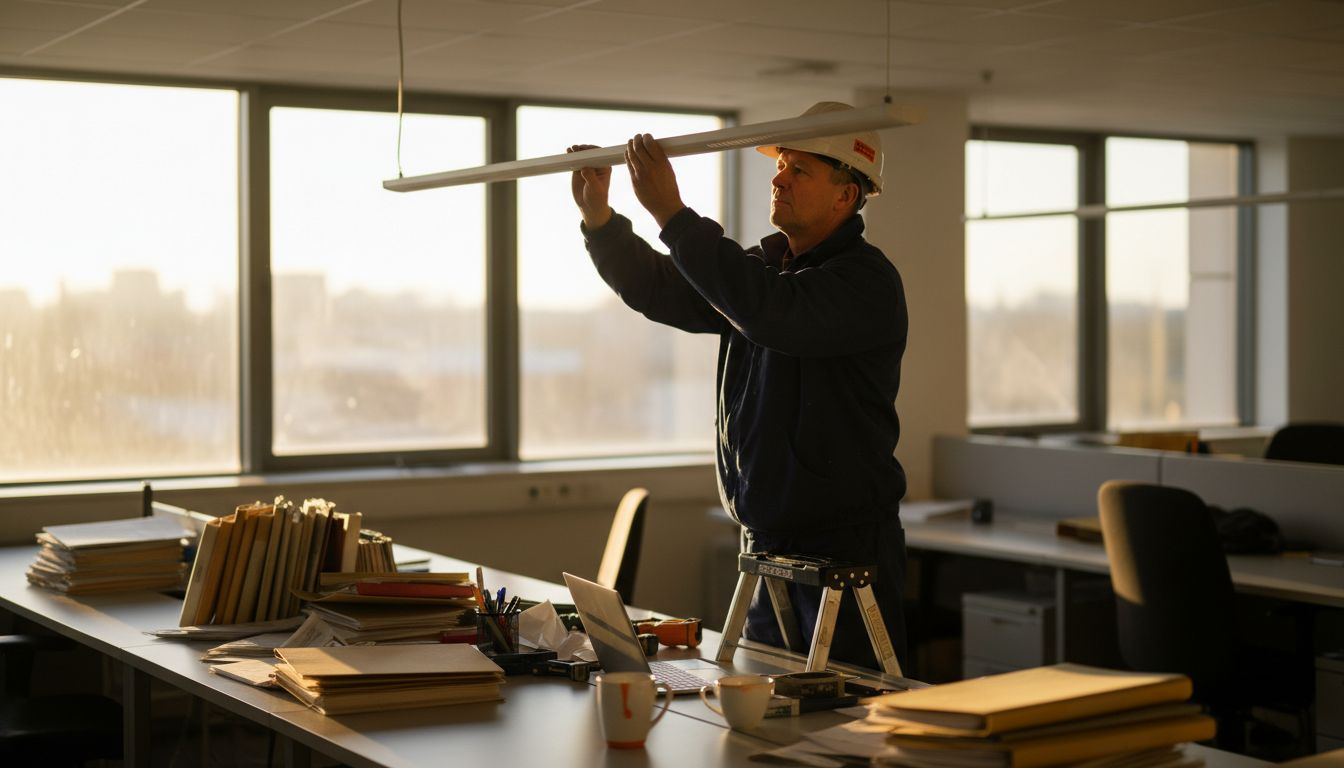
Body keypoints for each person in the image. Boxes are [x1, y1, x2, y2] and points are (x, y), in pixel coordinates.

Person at [569, 102, 908, 670]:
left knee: (855, 725)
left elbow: (772, 314)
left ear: (846, 195)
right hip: (765, 541)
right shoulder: (766, 272)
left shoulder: (864, 282)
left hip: (844, 549)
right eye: (782, 166)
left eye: (799, 170)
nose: (778, 177)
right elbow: (665, 290)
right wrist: (602, 222)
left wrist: (673, 214)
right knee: (764, 726)